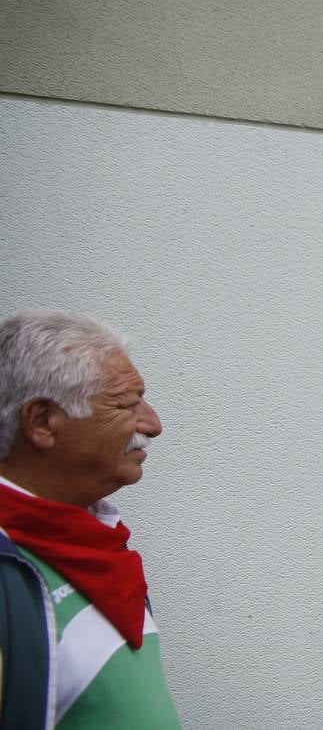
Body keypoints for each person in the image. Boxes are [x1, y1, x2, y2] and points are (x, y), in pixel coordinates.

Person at [0, 311, 180, 729]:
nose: (153, 424)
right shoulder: (14, 565)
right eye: (126, 402)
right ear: (42, 421)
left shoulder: (97, 548)